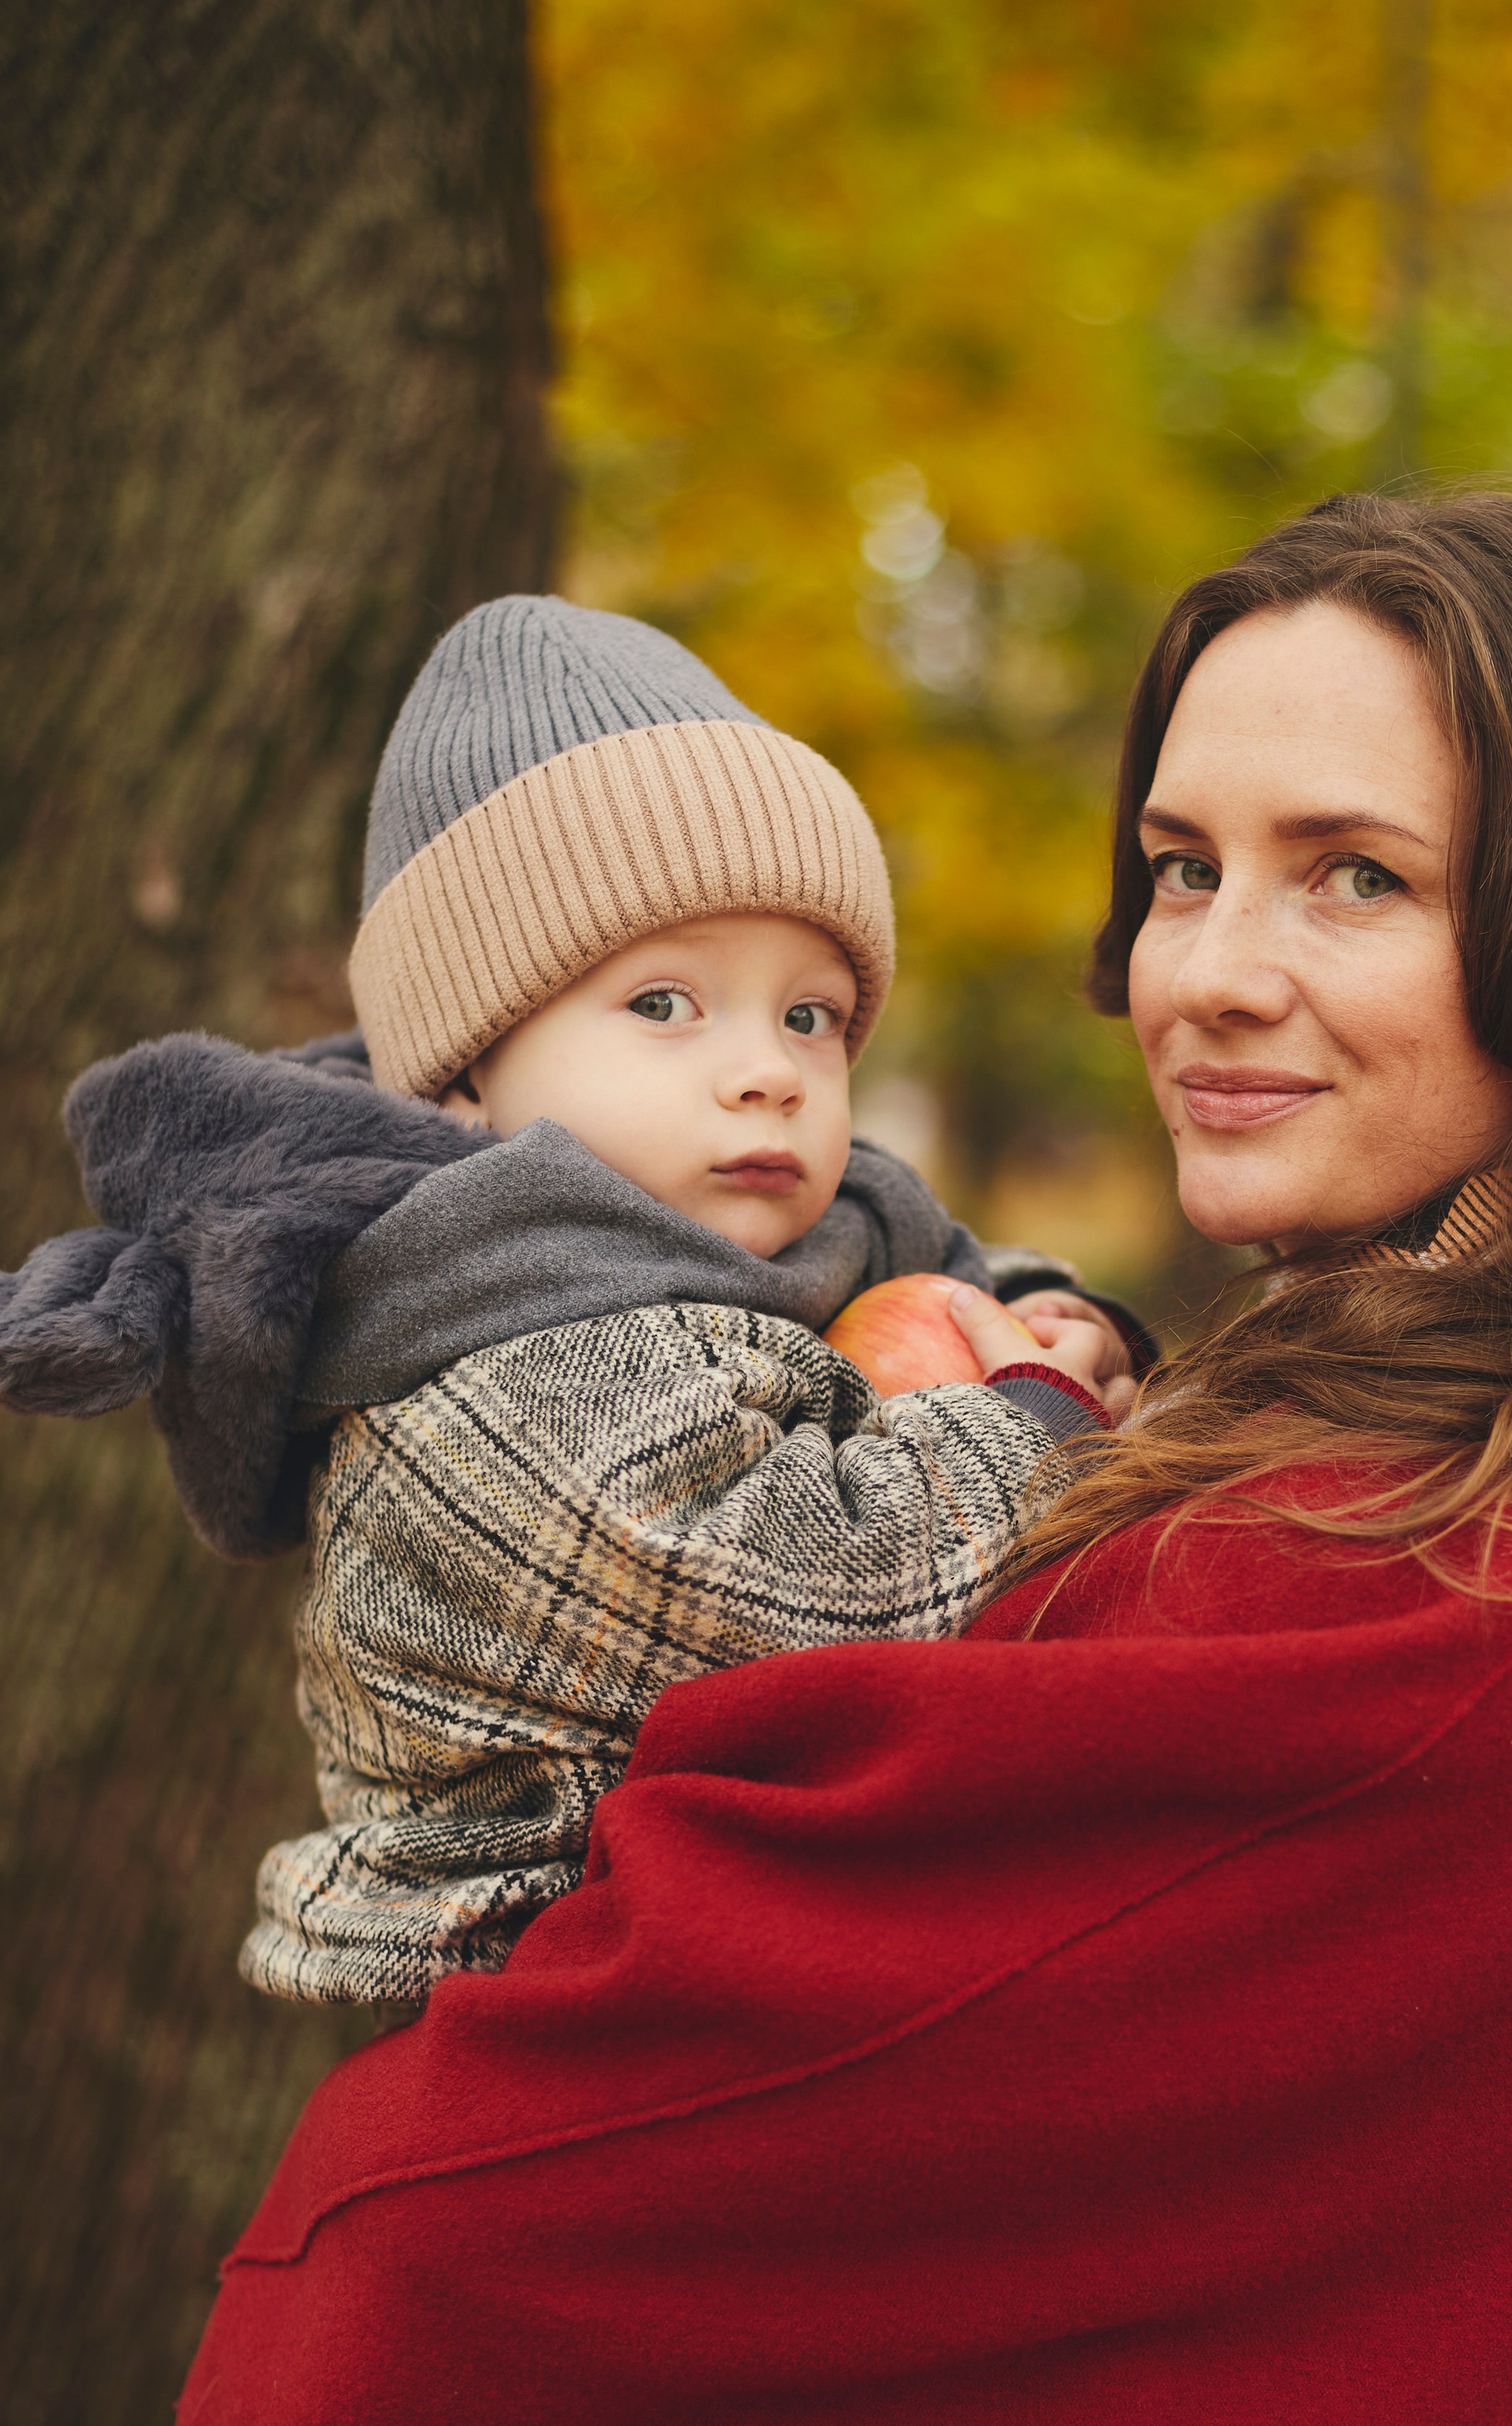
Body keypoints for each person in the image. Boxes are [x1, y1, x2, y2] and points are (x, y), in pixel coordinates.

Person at [174, 493, 1512, 2426]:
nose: (1197, 968)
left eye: (1358, 875)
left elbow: (410, 2332)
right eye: (1183, 864)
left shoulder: (1399, 1593)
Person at [0, 594, 1141, 2014]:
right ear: (469, 1074)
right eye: (666, 1005)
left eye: (811, 1015)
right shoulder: (494, 1363)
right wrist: (1039, 1421)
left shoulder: (775, 1227)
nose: (768, 1069)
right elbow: (823, 1606)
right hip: (572, 1999)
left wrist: (1056, 1322)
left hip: (776, 1945)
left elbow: (938, 1268)